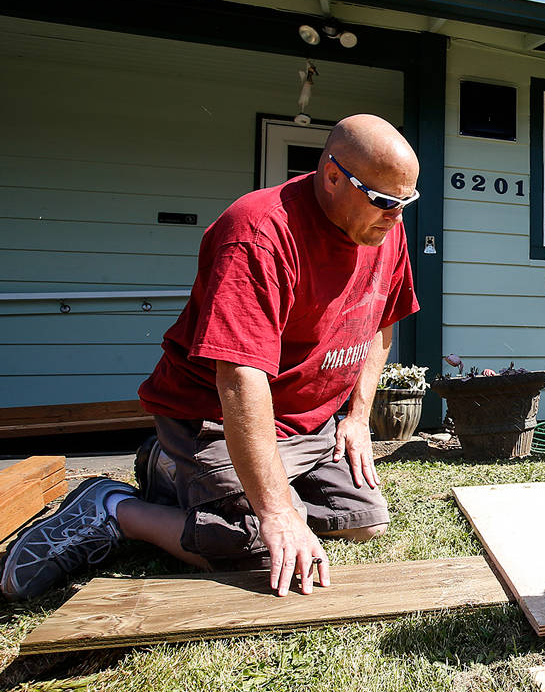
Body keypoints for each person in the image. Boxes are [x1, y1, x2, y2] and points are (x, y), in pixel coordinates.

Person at [2, 115, 421, 602]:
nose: (397, 216)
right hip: (214, 417)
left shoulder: (382, 229)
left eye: (407, 201)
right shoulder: (259, 232)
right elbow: (239, 379)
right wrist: (276, 512)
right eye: (385, 201)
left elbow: (383, 319)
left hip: (307, 426)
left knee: (365, 520)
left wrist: (357, 417)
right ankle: (116, 507)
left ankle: (186, 479)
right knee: (259, 549)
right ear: (332, 176)